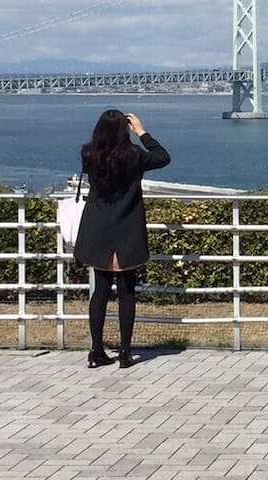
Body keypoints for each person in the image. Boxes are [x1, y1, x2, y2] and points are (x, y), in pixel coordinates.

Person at [75, 109, 170, 368]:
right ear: (125, 130)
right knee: (127, 292)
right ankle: (126, 353)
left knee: (100, 291)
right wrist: (141, 132)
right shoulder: (135, 156)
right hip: (127, 227)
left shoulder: (88, 155)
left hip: (98, 229)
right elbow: (163, 157)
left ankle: (96, 351)